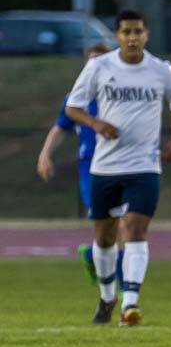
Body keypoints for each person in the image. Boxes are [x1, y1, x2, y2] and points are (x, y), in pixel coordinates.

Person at [65, 10, 171, 326]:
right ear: (117, 36)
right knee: (104, 237)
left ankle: (130, 304)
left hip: (144, 165)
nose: (132, 38)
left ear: (147, 34)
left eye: (138, 31)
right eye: (126, 32)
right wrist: (95, 123)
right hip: (105, 167)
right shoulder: (99, 67)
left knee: (135, 228)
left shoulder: (161, 71)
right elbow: (72, 107)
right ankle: (107, 297)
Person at [37, 44, 125, 291]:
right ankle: (114, 284)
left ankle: (121, 290)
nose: (94, 67)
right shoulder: (76, 98)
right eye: (90, 62)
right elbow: (59, 128)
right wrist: (45, 155)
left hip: (122, 165)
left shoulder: (120, 95)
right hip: (91, 170)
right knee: (110, 227)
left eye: (99, 61)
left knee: (125, 226)